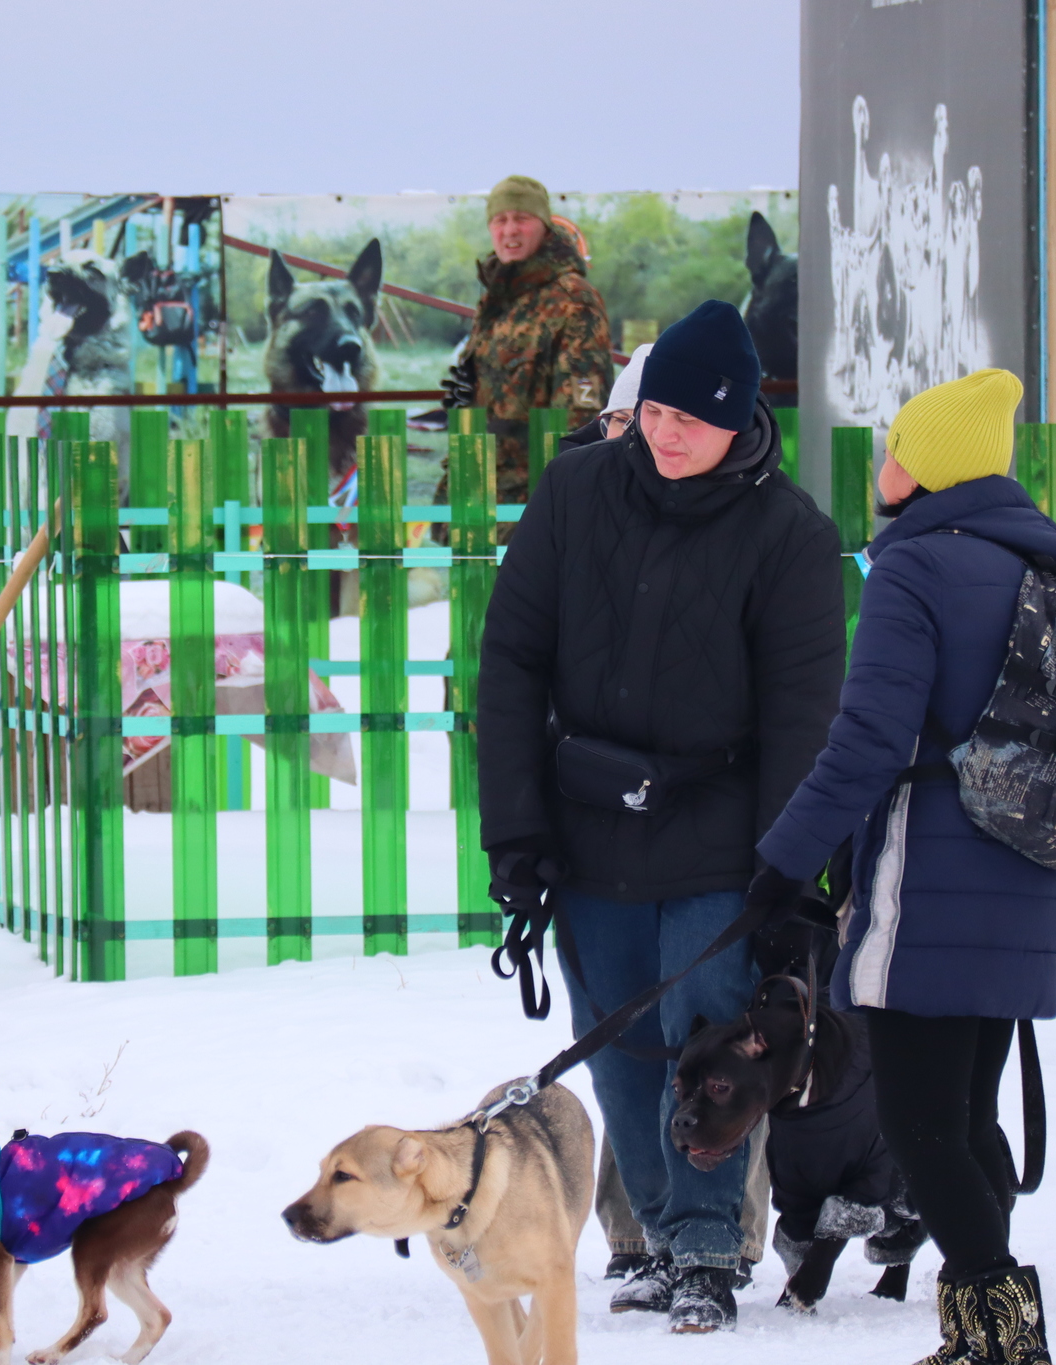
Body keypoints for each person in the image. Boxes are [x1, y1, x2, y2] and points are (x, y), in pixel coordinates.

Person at [477, 300, 845, 1332]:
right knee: (618, 1048)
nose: (665, 431)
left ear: (739, 420)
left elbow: (800, 717)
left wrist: (785, 868)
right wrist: (515, 833)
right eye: (653, 411)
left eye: (690, 416)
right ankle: (642, 1237)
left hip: (720, 833)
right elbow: (510, 663)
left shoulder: (790, 536)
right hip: (586, 821)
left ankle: (705, 1249)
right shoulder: (572, 492)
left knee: (712, 1047)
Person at [749, 369, 1056, 1364]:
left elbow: (867, 742)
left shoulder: (916, 568)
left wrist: (782, 866)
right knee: (966, 1118)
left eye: (894, 445)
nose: (880, 463)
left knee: (918, 1123)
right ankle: (983, 1340)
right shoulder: (1037, 569)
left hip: (925, 878)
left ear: (924, 468)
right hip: (1019, 869)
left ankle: (1008, 1340)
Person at [441, 174, 614, 506]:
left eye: (521, 218)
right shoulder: (497, 299)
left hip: (534, 498)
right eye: (500, 220)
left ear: (544, 226)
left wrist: (557, 502)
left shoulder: (572, 299)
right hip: (479, 488)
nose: (509, 231)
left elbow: (582, 416)